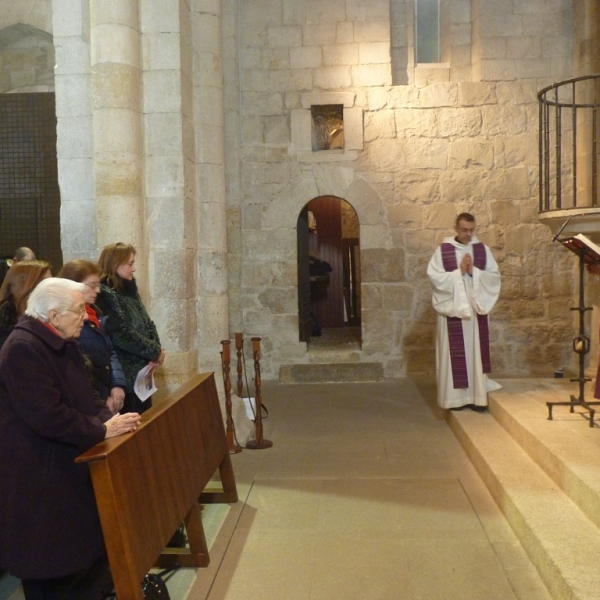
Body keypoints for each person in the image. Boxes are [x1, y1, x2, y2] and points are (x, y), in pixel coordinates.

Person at [0, 278, 141, 600]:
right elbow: (47, 416)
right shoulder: (23, 349)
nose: (85, 316)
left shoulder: (63, 342)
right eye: (79, 310)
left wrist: (110, 421)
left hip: (69, 468)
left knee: (85, 565)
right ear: (53, 315)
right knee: (52, 569)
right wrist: (102, 431)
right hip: (40, 474)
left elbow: (88, 395)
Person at [427, 213, 501, 411]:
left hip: (475, 313)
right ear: (456, 228)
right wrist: (458, 272)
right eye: (464, 230)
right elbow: (434, 277)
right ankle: (455, 399)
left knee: (474, 351)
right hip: (453, 310)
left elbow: (494, 277)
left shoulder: (482, 250)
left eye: (471, 230)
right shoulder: (443, 251)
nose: (468, 234)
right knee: (454, 355)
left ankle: (476, 397)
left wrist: (473, 272)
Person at [96, 243, 165, 414]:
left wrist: (156, 350)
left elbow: (147, 322)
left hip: (142, 372)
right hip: (126, 376)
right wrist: (154, 351)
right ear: (114, 264)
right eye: (130, 264)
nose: (134, 269)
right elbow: (121, 334)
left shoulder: (130, 289)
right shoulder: (106, 294)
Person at [59, 260, 127, 415]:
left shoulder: (95, 313)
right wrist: (103, 396)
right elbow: (79, 365)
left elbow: (110, 351)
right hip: (90, 402)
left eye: (99, 284)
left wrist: (117, 384)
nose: (98, 290)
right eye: (92, 285)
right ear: (74, 284)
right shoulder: (68, 321)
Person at [0, 260, 51, 349]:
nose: (52, 287)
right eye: (46, 283)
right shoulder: (7, 313)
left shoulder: (44, 307)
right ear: (28, 285)